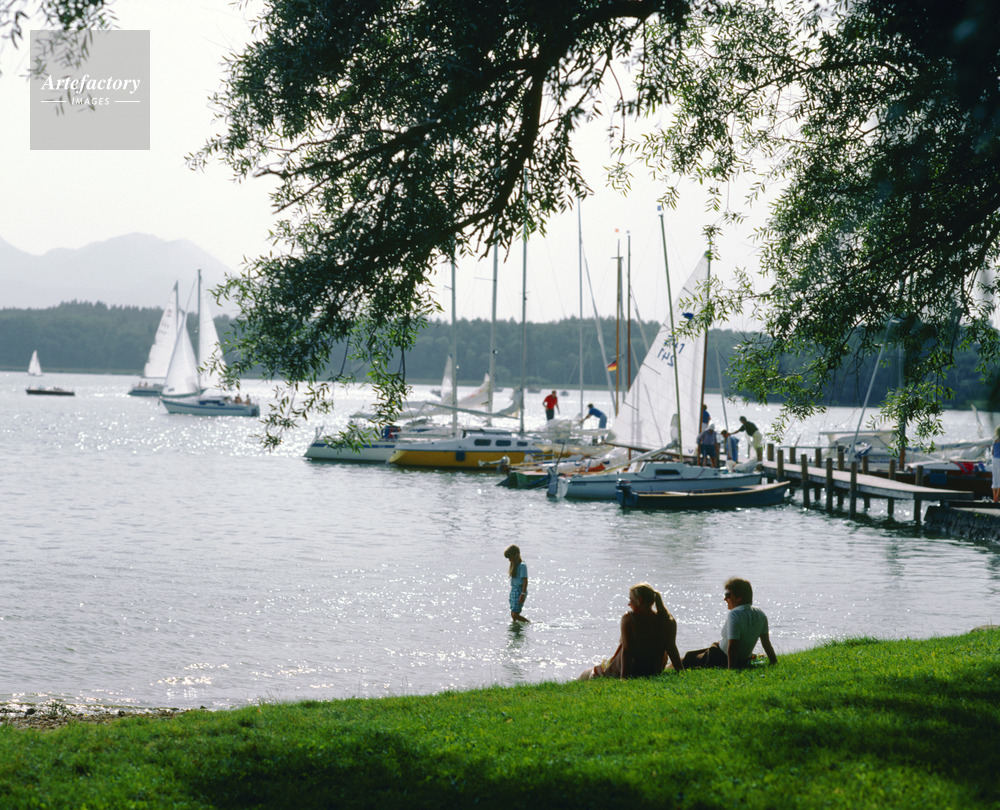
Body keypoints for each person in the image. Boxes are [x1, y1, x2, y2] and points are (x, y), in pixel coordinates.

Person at [579, 583, 683, 679]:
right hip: (654, 669)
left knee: (587, 673)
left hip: (634, 669)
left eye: (631, 600)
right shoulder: (667, 619)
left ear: (640, 600)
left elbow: (627, 651)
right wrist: (681, 672)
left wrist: (624, 678)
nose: (629, 604)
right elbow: (672, 649)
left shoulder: (629, 619)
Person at [681, 577, 777, 670]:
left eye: (727, 595)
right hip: (742, 659)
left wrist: (731, 669)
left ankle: (670, 670)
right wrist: (774, 661)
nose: (725, 599)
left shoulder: (735, 614)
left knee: (687, 658)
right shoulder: (760, 613)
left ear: (739, 597)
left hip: (719, 656)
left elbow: (733, 645)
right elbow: (766, 643)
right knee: (691, 655)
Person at [504, 544, 529, 623]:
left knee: (515, 614)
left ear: (516, 555)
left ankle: (529, 623)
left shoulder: (522, 565)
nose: (509, 560)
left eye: (510, 557)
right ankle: (515, 631)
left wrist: (523, 593)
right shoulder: (514, 565)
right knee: (513, 614)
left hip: (519, 591)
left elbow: (525, 581)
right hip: (513, 590)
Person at [992, 426, 1000, 502]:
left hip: (994, 459)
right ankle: (998, 498)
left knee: (995, 478)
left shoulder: (995, 441)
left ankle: (994, 498)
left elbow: (992, 452)